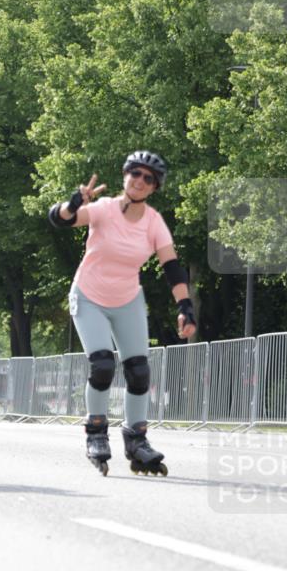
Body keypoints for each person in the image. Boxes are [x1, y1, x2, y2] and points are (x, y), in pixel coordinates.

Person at [49, 150, 196, 475]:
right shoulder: (104, 209)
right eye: (136, 174)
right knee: (102, 365)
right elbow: (60, 220)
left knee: (139, 371)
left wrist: (185, 308)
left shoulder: (154, 223)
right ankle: (96, 431)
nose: (140, 181)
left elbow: (172, 268)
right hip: (89, 296)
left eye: (148, 178)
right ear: (125, 175)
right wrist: (73, 204)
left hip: (127, 301)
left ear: (154, 187)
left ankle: (136, 440)